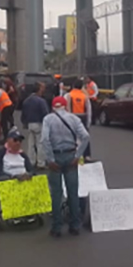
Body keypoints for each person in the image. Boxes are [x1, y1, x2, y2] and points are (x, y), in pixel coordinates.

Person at [41, 97, 90, 238]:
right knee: (73, 193)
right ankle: (75, 226)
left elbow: (45, 139)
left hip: (56, 157)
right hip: (71, 156)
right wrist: (78, 155)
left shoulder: (48, 119)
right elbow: (85, 136)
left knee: (56, 194)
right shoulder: (74, 119)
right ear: (65, 106)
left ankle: (56, 228)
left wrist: (50, 159)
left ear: (52, 107)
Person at [21, 83, 50, 169]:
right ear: (39, 90)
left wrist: (24, 123)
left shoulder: (26, 101)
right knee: (40, 144)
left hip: (30, 124)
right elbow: (45, 113)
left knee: (31, 144)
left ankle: (31, 161)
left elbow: (23, 114)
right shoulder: (41, 101)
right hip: (39, 123)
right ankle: (41, 163)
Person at [67, 80, 92, 158]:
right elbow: (89, 110)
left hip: (72, 116)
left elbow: (66, 108)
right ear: (81, 87)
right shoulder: (85, 96)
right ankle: (86, 155)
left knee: (72, 137)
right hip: (83, 117)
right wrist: (88, 122)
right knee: (84, 136)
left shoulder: (68, 95)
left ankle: (72, 154)